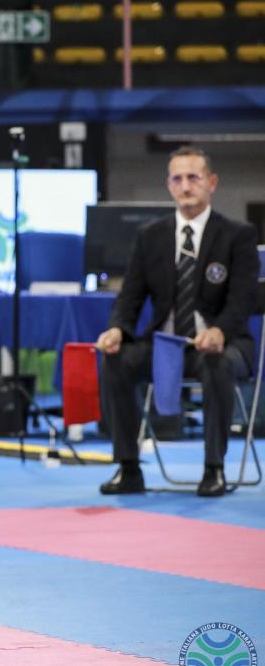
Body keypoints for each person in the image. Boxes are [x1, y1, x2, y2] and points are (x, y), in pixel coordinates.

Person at [95, 146, 260, 498]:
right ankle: (128, 468)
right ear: (169, 186)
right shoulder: (150, 236)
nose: (186, 186)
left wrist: (219, 331)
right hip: (166, 345)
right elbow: (131, 295)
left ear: (211, 183)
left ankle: (213, 468)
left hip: (223, 345)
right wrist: (117, 329)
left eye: (194, 178)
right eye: (177, 179)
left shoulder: (238, 235)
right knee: (116, 360)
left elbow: (242, 299)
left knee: (216, 362)